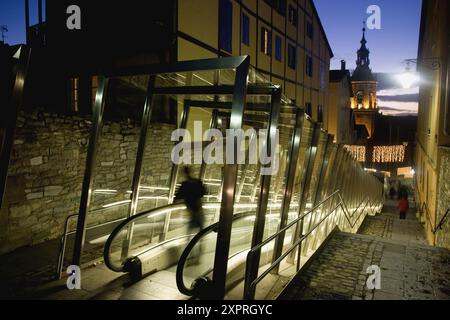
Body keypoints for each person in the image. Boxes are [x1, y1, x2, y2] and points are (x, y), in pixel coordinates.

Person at [175, 166, 206, 232]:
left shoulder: (185, 184)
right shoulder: (198, 182)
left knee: (192, 222)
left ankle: (191, 237)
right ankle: (200, 235)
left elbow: (179, 195)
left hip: (190, 206)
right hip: (198, 204)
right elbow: (203, 192)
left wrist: (175, 201)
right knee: (200, 221)